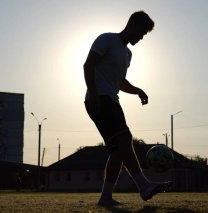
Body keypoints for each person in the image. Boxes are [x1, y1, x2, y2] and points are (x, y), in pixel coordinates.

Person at [83, 11, 173, 206]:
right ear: (132, 24)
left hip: (112, 100)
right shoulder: (106, 39)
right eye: (141, 33)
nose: (141, 38)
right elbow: (88, 65)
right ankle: (143, 185)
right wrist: (94, 92)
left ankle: (106, 197)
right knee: (125, 139)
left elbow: (120, 81)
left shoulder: (127, 54)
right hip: (100, 99)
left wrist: (138, 90)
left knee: (118, 151)